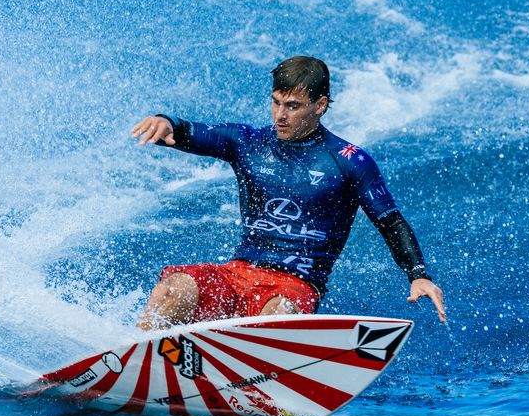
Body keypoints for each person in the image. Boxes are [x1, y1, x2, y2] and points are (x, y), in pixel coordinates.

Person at [130, 55, 445, 329]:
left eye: (293, 106)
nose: (280, 115)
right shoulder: (248, 143)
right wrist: (165, 122)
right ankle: (133, 359)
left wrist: (418, 274)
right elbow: (185, 130)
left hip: (295, 285)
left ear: (320, 106)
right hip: (238, 273)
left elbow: (390, 222)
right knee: (175, 288)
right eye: (276, 102)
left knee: (277, 315)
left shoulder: (349, 161)